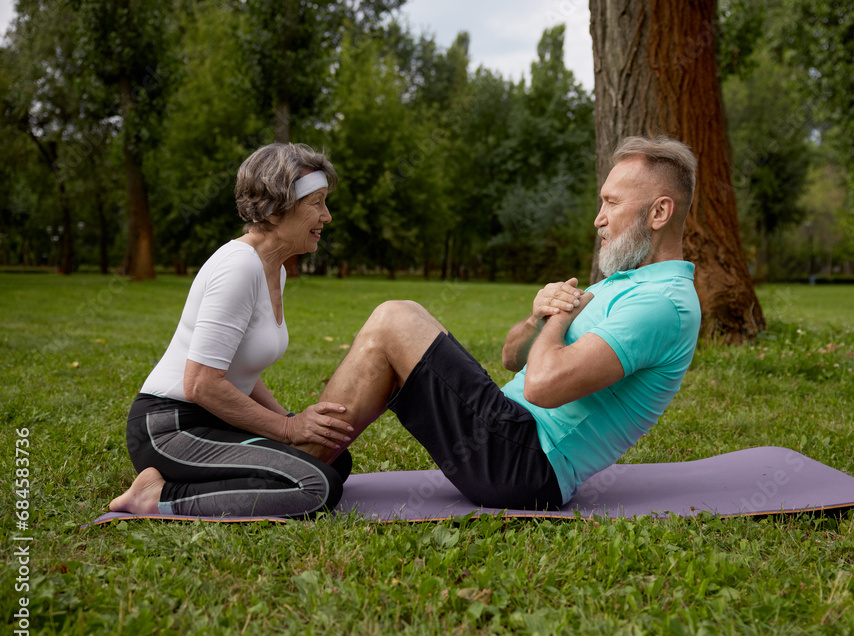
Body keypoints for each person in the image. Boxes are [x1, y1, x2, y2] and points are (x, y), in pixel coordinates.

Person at [296, 135, 702, 509]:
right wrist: (537, 317)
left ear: (660, 212)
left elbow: (543, 387)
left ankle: (292, 472)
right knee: (395, 328)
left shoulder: (661, 303)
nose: (599, 218)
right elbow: (511, 358)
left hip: (526, 465)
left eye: (611, 203)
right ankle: (305, 465)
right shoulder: (628, 283)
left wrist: (559, 319)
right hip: (510, 438)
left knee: (395, 318)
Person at [111, 143, 355, 517]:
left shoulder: (277, 269)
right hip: (170, 429)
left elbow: (238, 368)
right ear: (275, 209)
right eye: (316, 202)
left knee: (334, 460)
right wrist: (288, 431)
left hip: (214, 420)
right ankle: (156, 496)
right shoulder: (238, 266)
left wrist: (289, 420)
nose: (327, 216)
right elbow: (202, 383)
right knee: (317, 486)